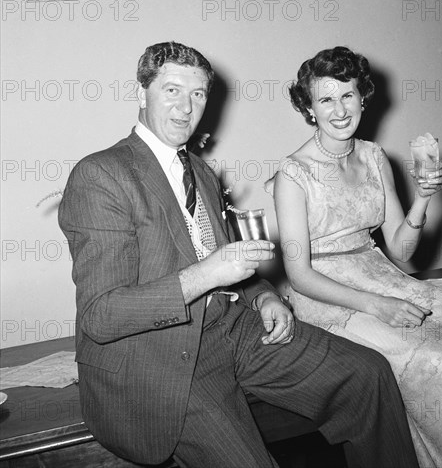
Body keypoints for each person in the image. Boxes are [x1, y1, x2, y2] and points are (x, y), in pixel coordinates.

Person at [58, 41, 420, 468]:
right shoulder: (101, 174)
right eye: (171, 90)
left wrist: (264, 296)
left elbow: (232, 264)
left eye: (197, 94)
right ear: (142, 94)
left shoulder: (201, 172)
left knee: (368, 375)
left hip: (235, 330)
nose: (185, 107)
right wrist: (207, 274)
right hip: (165, 360)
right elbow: (102, 316)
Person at [271, 46, 442, 468]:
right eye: (325, 99)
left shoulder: (375, 156)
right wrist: (377, 305)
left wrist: (421, 200)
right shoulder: (293, 174)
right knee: (439, 363)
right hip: (327, 296)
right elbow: (299, 274)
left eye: (348, 95)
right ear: (309, 108)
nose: (340, 109)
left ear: (363, 97)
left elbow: (399, 252)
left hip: (380, 273)